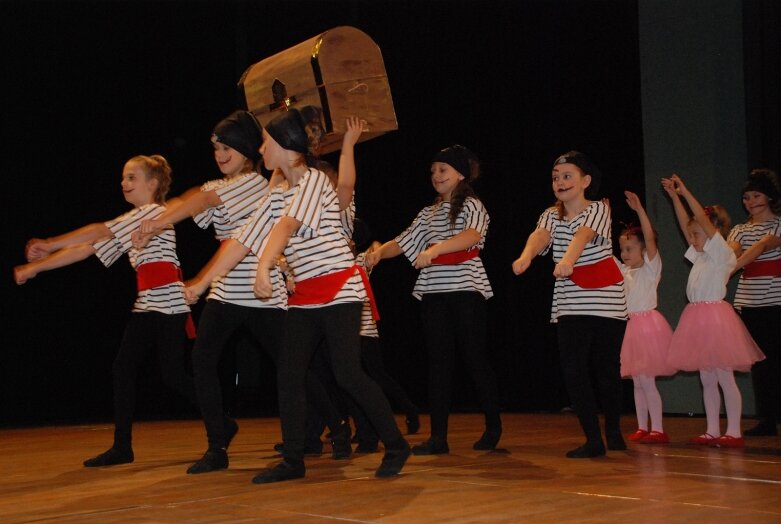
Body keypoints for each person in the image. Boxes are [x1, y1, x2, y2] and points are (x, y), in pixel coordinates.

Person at [185, 107, 410, 483]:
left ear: (287, 147)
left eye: (265, 141)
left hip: (339, 289)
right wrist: (202, 282)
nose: (260, 148)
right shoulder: (277, 194)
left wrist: (264, 266)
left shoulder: (314, 182)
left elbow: (287, 227)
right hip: (305, 295)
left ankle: (396, 444)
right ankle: (293, 460)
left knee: (348, 374)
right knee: (289, 374)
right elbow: (243, 239)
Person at [15, 154, 198, 467]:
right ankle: (122, 447)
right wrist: (37, 268)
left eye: (131, 178)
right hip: (148, 306)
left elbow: (98, 231)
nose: (124, 183)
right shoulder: (131, 224)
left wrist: (49, 243)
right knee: (124, 369)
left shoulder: (155, 212)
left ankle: (220, 420)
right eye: (123, 178)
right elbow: (86, 248)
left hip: (169, 306)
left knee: (172, 375)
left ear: (152, 184)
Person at [136, 110, 284, 473]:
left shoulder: (252, 181)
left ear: (246, 149)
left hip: (262, 291)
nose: (219, 153)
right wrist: (154, 217)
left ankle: (333, 427)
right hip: (226, 289)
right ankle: (217, 445)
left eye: (227, 146)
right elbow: (190, 197)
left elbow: (202, 203)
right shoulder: (220, 183)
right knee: (202, 361)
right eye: (216, 147)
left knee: (293, 365)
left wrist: (157, 224)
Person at [367, 145, 502, 455]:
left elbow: (471, 236)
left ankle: (493, 426)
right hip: (433, 293)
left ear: (460, 174)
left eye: (442, 170)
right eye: (433, 171)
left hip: (467, 289)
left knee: (474, 359)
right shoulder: (428, 213)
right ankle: (438, 437)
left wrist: (437, 249)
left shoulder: (472, 204)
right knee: (439, 363)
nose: (436, 176)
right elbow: (402, 242)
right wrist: (376, 254)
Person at [512, 151, 627, 458]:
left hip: (605, 298)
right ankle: (593, 439)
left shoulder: (598, 209)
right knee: (574, 370)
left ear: (585, 181)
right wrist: (526, 256)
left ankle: (613, 430)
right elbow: (540, 236)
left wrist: (566, 260)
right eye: (555, 177)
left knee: (606, 369)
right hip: (570, 299)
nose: (560, 182)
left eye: (567, 176)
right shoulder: (550, 214)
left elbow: (583, 236)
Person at [661, 173, 765, 448]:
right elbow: (687, 224)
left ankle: (733, 431)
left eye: (697, 234)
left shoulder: (721, 251)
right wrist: (674, 197)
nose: (691, 238)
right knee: (707, 378)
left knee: (723, 376)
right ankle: (711, 430)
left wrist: (685, 191)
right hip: (697, 318)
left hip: (716, 318)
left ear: (712, 232)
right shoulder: (700, 254)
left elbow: (700, 222)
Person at [348, 218, 420, 453]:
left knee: (377, 377)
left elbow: (375, 246)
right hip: (346, 332)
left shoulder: (361, 260)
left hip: (365, 330)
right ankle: (358, 427)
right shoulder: (333, 260)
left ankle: (408, 409)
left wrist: (374, 248)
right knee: (352, 379)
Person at [618, 191, 676, 444]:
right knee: (638, 382)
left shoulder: (652, 269)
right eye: (622, 248)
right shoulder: (623, 271)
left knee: (648, 381)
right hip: (630, 328)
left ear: (643, 250)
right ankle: (642, 426)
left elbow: (650, 238)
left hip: (647, 328)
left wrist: (640, 210)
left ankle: (658, 428)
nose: (624, 253)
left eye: (629, 248)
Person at [726, 168, 781, 437]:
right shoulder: (739, 229)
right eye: (746, 197)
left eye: (756, 195)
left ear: (769, 197)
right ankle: (768, 420)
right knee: (761, 363)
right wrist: (726, 263)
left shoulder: (778, 225)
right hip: (749, 302)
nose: (750, 202)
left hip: (777, 300)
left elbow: (764, 246)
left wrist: (730, 269)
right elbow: (732, 251)